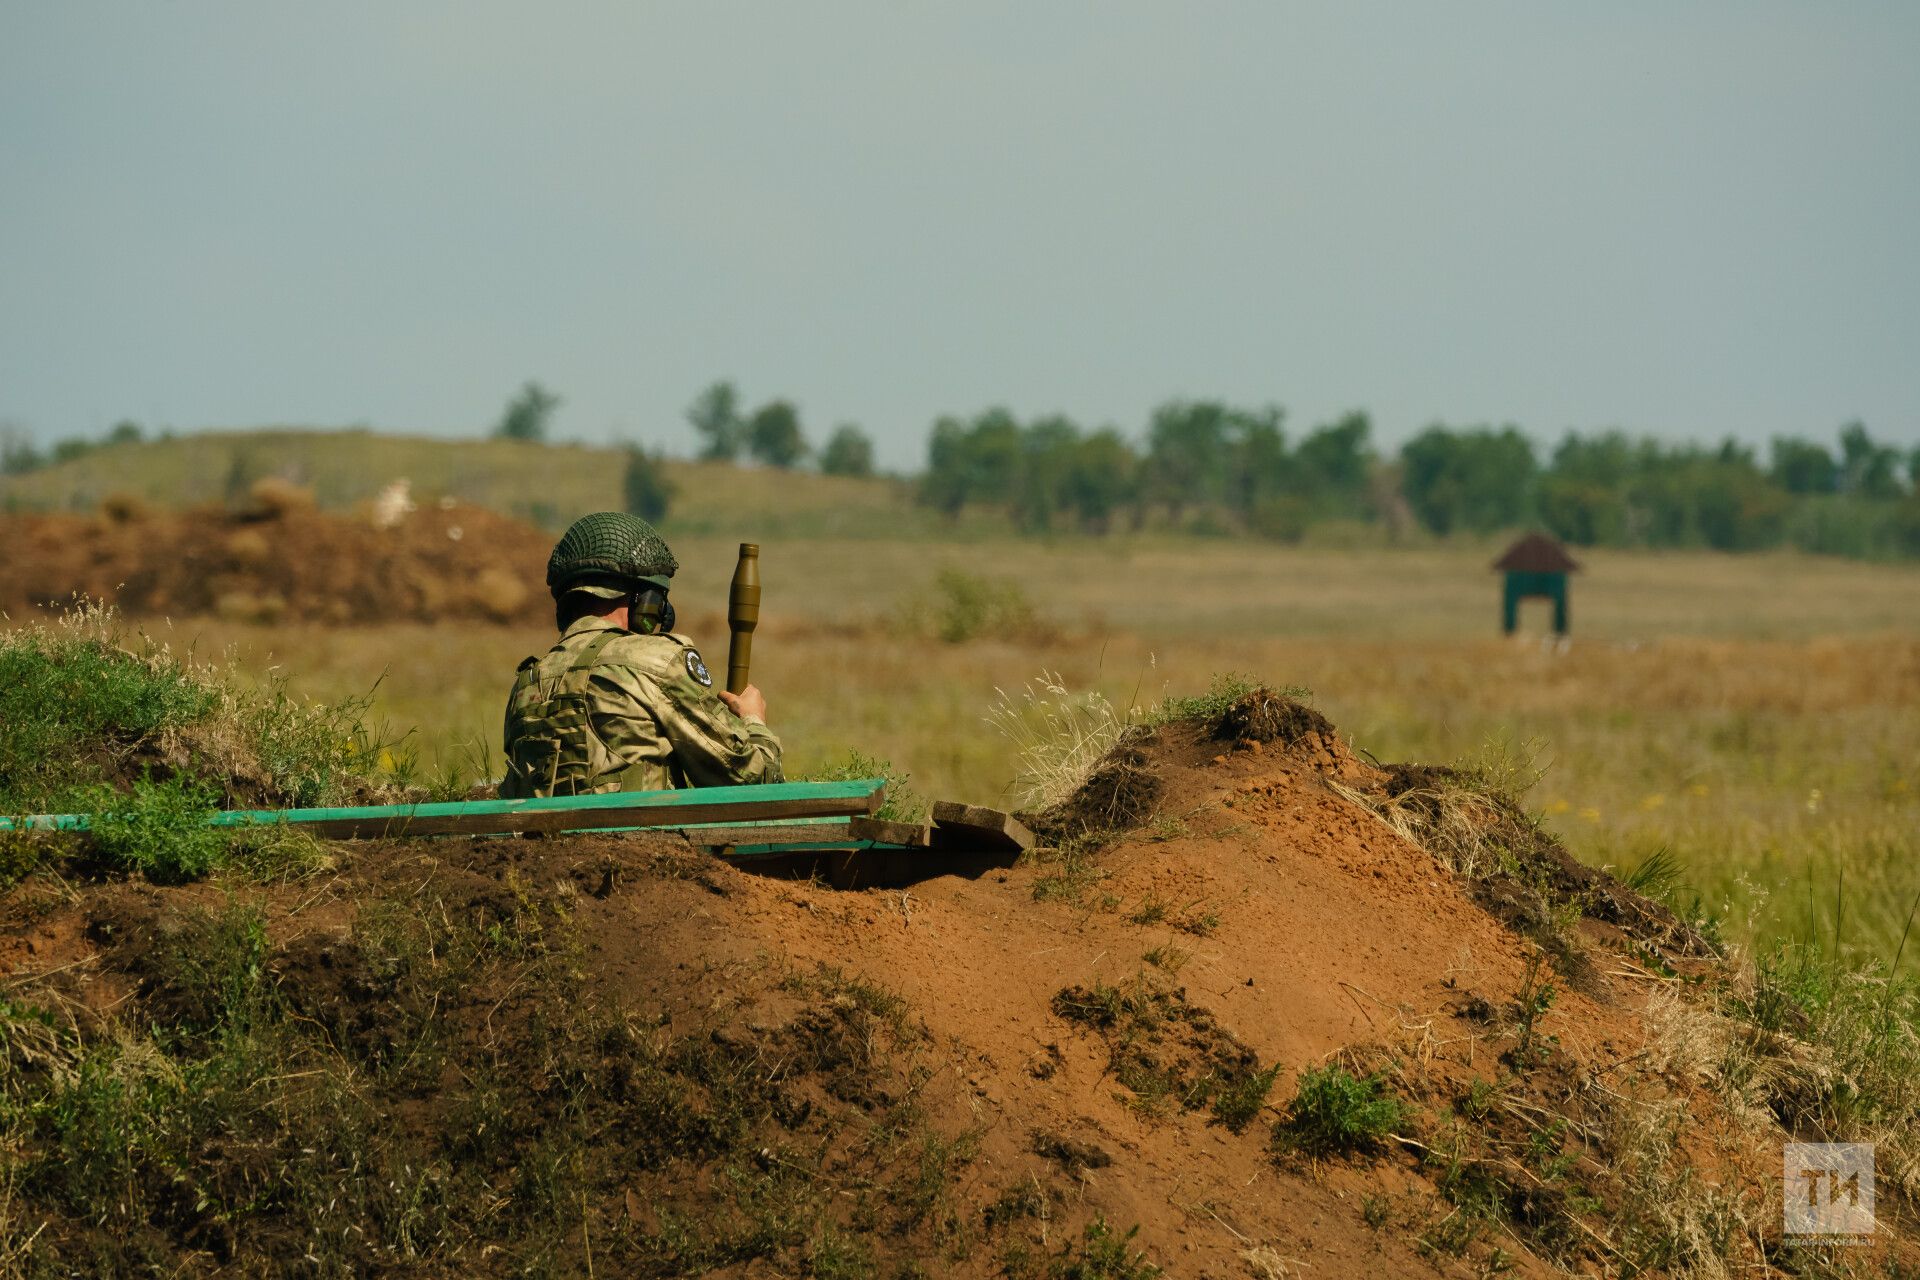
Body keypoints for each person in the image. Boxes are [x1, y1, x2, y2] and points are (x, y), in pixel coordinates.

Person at [498, 511, 783, 797]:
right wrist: (753, 722)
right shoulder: (656, 660)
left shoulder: (527, 682)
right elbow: (747, 782)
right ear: (645, 603)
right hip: (640, 840)